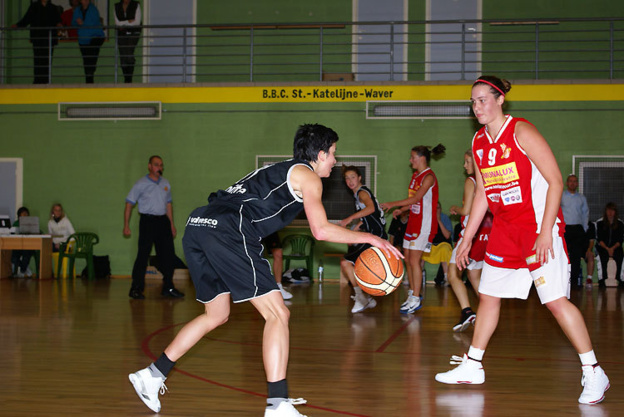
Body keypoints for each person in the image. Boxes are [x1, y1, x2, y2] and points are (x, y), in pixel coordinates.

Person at [128, 124, 402, 417]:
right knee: (278, 313)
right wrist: (372, 237)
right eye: (333, 154)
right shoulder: (309, 177)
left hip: (198, 225)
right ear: (319, 154)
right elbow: (320, 230)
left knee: (216, 315)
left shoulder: (279, 169)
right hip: (229, 230)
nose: (335, 161)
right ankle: (277, 404)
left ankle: (153, 374)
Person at [434, 75, 610, 405]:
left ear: (500, 100)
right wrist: (466, 239)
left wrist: (545, 233)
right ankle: (473, 364)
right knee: (488, 295)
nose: (477, 107)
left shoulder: (521, 131)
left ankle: (594, 371)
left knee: (555, 302)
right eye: (473, 102)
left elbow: (556, 181)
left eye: (483, 99)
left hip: (537, 228)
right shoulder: (478, 142)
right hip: (505, 230)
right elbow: (485, 192)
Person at [380, 144, 446, 314]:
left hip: (424, 224)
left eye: (412, 157)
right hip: (413, 222)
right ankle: (411, 293)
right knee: (408, 258)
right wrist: (401, 210)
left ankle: (416, 298)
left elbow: (417, 197)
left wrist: (392, 203)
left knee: (415, 260)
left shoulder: (429, 177)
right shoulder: (416, 176)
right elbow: (415, 202)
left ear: (422, 158)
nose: (410, 161)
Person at [124, 155, 184, 300]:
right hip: (147, 222)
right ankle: (136, 288)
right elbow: (129, 204)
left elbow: (168, 205)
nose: (160, 168)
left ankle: (168, 287)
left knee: (168, 254)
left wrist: (171, 224)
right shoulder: (140, 184)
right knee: (143, 255)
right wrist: (126, 225)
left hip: (163, 222)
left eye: (161, 165)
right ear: (150, 166)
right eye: (157, 165)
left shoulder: (165, 183)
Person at [446, 149, 492, 332]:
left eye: (467, 162)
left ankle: (467, 311)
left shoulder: (471, 181)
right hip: (486, 235)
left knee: (453, 274)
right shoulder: (489, 182)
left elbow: (466, 211)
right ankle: (488, 309)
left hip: (471, 235)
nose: (464, 166)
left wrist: (456, 208)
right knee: (474, 276)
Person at [338, 165, 388, 313]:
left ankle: (361, 297)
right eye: (347, 178)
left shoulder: (362, 193)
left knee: (346, 263)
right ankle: (366, 298)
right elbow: (369, 215)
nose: (350, 180)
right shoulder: (359, 193)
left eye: (353, 177)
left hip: (375, 235)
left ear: (359, 178)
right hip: (373, 233)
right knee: (355, 264)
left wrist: (349, 219)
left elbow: (371, 208)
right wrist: (355, 228)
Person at [12, 0, 62, 84]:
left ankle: (47, 81)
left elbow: (58, 21)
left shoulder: (53, 8)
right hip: (37, 38)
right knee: (38, 60)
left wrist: (59, 25)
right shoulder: (34, 6)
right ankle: (37, 81)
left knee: (47, 61)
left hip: (49, 39)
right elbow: (26, 19)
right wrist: (18, 25)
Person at [561, 174, 590, 288]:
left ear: (577, 184)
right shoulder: (561, 196)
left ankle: (573, 283)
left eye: (574, 181)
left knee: (576, 257)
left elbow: (585, 214)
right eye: (570, 181)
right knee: (563, 256)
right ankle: (563, 282)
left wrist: (584, 228)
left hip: (577, 230)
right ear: (567, 183)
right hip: (565, 229)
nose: (572, 183)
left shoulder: (581, 198)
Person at [72, 0, 105, 83]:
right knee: (86, 60)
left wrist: (82, 23)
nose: (85, 1)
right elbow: (73, 23)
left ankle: (90, 79)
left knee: (91, 60)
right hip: (83, 39)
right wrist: (77, 22)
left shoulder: (93, 9)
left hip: (95, 37)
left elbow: (93, 23)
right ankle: (89, 79)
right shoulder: (77, 10)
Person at [422, 201, 453, 287]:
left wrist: (438, 220)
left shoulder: (445, 218)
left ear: (441, 209)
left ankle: (446, 277)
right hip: (431, 244)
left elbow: (447, 236)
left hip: (443, 243)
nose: (436, 210)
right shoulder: (426, 218)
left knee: (444, 249)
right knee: (421, 250)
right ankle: (419, 275)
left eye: (438, 208)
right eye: (434, 208)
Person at [594, 202, 624, 288]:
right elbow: (599, 239)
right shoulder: (600, 223)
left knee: (620, 256)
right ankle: (602, 279)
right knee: (603, 257)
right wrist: (608, 249)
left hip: (616, 247)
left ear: (615, 212)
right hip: (603, 247)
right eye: (608, 210)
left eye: (612, 210)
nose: (610, 212)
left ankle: (620, 278)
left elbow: (620, 240)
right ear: (605, 211)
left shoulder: (620, 223)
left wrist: (612, 248)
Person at [114, 0, 142, 83]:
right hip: (121, 33)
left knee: (129, 53)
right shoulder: (116, 6)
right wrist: (128, 21)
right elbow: (117, 23)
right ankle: (126, 78)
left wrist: (123, 24)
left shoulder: (136, 5)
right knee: (123, 55)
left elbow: (137, 22)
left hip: (133, 33)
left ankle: (129, 79)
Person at [262, 231, 293, 300]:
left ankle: (278, 287)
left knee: (278, 253)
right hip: (251, 225)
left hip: (268, 226)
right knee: (254, 255)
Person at [11, 207, 36, 278]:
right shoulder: (16, 224)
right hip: (18, 246)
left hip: (29, 246)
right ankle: (25, 268)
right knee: (13, 257)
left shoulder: (32, 224)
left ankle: (22, 270)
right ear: (19, 216)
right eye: (23, 214)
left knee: (26, 254)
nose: (25, 216)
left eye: (26, 214)